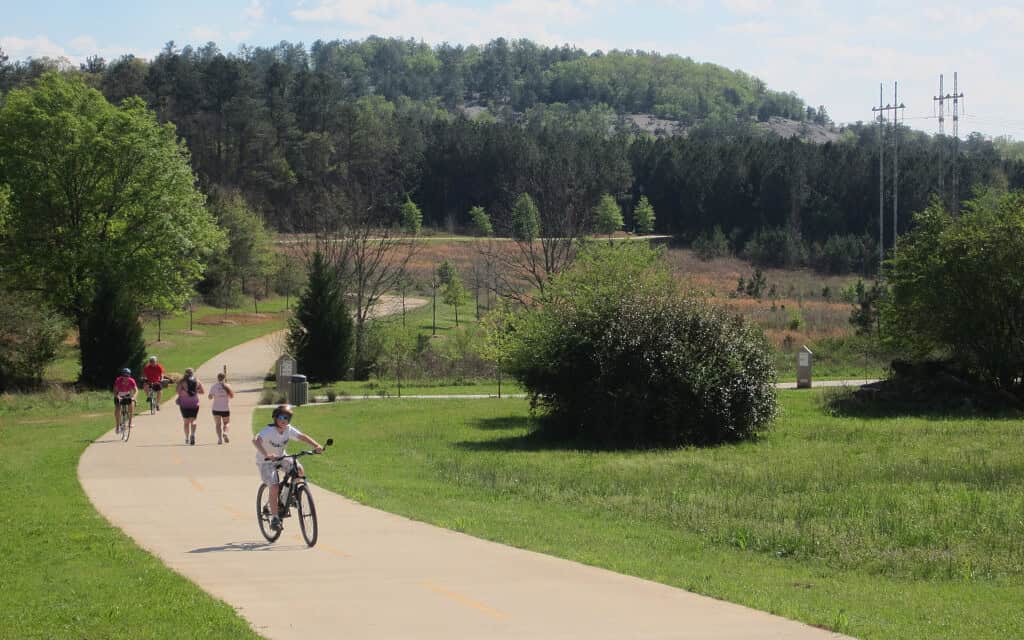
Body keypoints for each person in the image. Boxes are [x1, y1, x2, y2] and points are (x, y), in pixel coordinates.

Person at [252, 405, 323, 531]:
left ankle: (292, 495)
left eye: (287, 418)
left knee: (299, 469)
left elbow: (302, 436)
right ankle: (274, 518)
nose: (284, 420)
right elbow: (255, 440)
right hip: (266, 461)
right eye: (281, 417)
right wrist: (266, 454)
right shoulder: (269, 431)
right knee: (274, 486)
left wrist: (316, 445)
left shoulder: (288, 429)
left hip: (281, 457)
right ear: (275, 418)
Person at [176, 368, 205, 445]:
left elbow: (178, 392)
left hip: (184, 404)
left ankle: (187, 438)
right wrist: (195, 391)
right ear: (192, 373)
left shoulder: (181, 382)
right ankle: (193, 434)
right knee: (193, 420)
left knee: (186, 422)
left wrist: (184, 391)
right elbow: (202, 391)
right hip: (194, 403)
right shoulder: (197, 381)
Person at [208, 371, 235, 444]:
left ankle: (219, 439)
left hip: (216, 408)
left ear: (217, 378)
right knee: (226, 423)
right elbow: (232, 396)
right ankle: (225, 433)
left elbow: (210, 397)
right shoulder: (228, 386)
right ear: (224, 378)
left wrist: (215, 395)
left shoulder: (214, 386)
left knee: (218, 424)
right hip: (225, 408)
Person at [112, 368, 138, 434]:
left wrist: (134, 397)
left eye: (127, 376)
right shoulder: (118, 380)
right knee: (117, 409)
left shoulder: (131, 380)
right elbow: (115, 391)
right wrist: (118, 396)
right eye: (124, 375)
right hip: (119, 394)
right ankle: (117, 426)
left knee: (131, 406)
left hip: (127, 394)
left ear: (129, 375)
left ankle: (130, 423)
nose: (125, 377)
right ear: (122, 375)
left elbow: (136, 390)